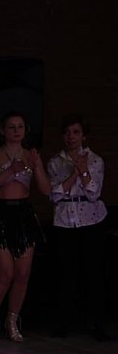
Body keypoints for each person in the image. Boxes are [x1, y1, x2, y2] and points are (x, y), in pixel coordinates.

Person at [0, 112, 49, 343]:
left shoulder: (30, 154)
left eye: (20, 127)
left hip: (23, 213)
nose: (16, 131)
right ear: (3, 130)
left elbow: (46, 190)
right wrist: (10, 171)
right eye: (11, 127)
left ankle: (12, 320)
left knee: (22, 274)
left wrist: (37, 166)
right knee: (5, 273)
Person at [47, 114, 109, 341]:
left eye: (76, 132)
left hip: (91, 220)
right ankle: (63, 322)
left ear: (83, 136)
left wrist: (83, 171)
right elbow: (55, 194)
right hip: (65, 219)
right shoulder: (56, 161)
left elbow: (94, 193)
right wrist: (74, 174)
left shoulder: (95, 160)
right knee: (66, 273)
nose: (71, 137)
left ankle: (97, 324)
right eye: (67, 132)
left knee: (93, 273)